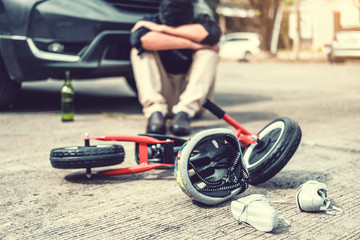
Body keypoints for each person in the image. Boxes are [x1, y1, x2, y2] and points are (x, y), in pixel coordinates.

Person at [130, 0, 221, 136]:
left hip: (193, 99)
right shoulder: (150, 19)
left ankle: (184, 113)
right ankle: (155, 112)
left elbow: (210, 34)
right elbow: (142, 40)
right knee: (139, 51)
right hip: (165, 94)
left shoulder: (201, 20)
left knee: (209, 53)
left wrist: (164, 29)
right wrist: (192, 44)